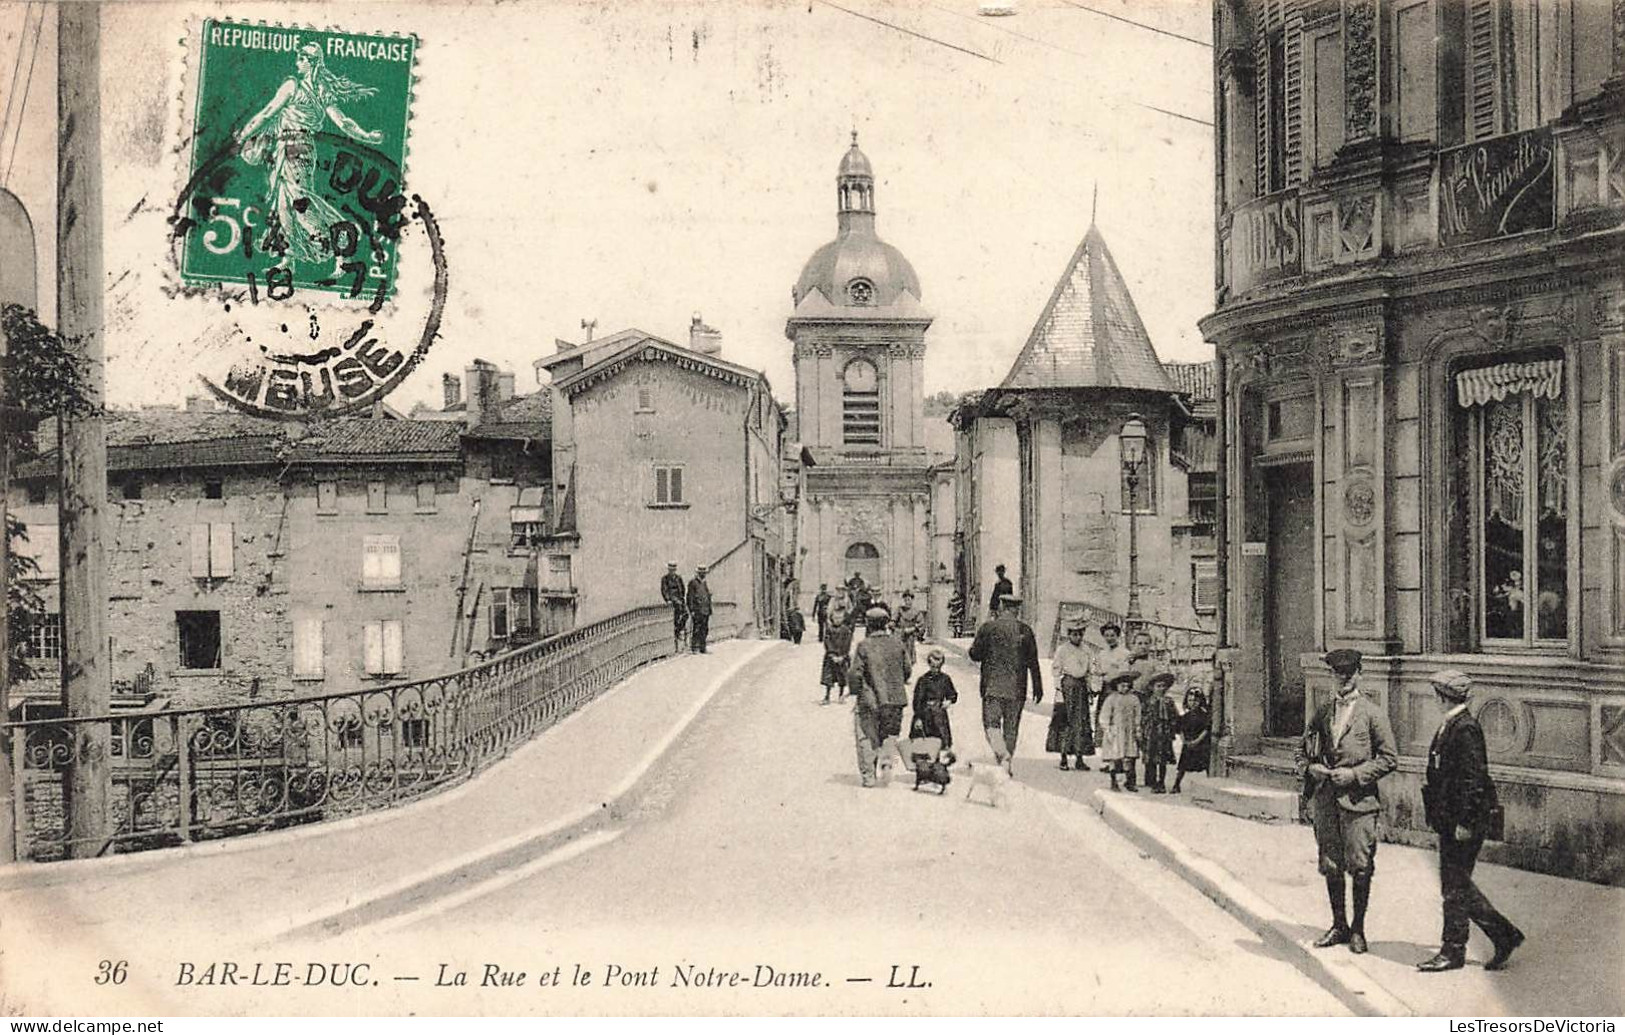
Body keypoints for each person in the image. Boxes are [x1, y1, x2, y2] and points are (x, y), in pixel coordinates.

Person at [235, 43, 385, 269]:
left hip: (293, 147)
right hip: (297, 147)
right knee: (284, 204)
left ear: (310, 62)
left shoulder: (292, 86)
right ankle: (290, 257)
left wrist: (244, 134)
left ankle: (339, 239)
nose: (297, 62)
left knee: (299, 202)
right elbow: (344, 123)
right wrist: (367, 135)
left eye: (301, 58)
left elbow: (267, 113)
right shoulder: (321, 90)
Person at [1417, 670, 1524, 973]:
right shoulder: (1453, 724)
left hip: (1463, 822)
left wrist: (1464, 821)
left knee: (1454, 886)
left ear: (1442, 697)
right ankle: (1503, 935)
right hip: (1451, 819)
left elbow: (1473, 779)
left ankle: (1454, 950)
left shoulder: (1464, 728)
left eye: (1436, 695)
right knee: (1456, 883)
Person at [1294, 649, 1399, 956]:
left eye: (1348, 675)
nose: (1342, 680)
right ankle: (1338, 925)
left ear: (1359, 675)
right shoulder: (1323, 711)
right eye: (1337, 675)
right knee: (1331, 864)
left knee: (1361, 866)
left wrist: (1355, 775)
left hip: (1359, 804)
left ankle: (1358, 930)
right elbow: (1302, 750)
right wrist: (1309, 768)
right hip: (1327, 801)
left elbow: (1390, 758)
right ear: (1331, 677)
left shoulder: (1373, 714)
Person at [968, 593, 1043, 773]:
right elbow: (1033, 661)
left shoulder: (988, 628)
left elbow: (974, 654)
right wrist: (1038, 687)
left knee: (991, 725)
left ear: (1001, 606)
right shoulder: (1025, 630)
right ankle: (1006, 762)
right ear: (1017, 609)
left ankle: (1002, 755)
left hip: (992, 687)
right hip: (1017, 688)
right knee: (1011, 728)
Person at [849, 606, 912, 788]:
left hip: (871, 701)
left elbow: (855, 674)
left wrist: (856, 692)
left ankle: (869, 776)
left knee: (866, 736)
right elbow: (907, 670)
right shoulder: (898, 643)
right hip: (895, 700)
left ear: (868, 624)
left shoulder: (864, 646)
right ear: (886, 624)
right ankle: (886, 763)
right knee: (890, 735)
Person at [1051, 621, 1095, 771]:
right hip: (1067, 687)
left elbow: (1089, 671)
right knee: (1065, 722)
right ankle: (1063, 757)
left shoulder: (1087, 650)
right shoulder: (1062, 650)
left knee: (1081, 723)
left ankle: (1079, 757)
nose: (1077, 637)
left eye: (1080, 634)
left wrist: (1089, 689)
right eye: (1074, 634)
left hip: (1081, 687)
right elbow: (1056, 669)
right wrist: (1059, 689)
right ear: (1068, 634)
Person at [1097, 670, 1141, 791]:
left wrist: (1137, 728)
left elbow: (1138, 715)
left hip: (1129, 732)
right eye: (1122, 685)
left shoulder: (1134, 699)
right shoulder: (1111, 699)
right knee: (1115, 757)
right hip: (1115, 731)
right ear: (1117, 685)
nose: (1125, 688)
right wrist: (1107, 729)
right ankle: (1114, 781)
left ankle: (1129, 781)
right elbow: (1104, 716)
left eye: (1128, 685)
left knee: (1129, 757)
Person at [1137, 670, 1178, 793]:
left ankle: (1162, 782)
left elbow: (1174, 716)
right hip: (1151, 732)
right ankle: (1152, 781)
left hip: (1164, 733)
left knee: (1163, 759)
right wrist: (1142, 730)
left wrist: (1172, 728)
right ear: (1152, 687)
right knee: (1151, 757)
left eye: (1163, 686)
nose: (1161, 688)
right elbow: (1142, 716)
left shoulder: (1169, 701)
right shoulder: (1148, 701)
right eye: (1158, 686)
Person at [910, 647, 958, 750]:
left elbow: (952, 694)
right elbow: (917, 701)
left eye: (938, 667)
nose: (935, 669)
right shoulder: (923, 680)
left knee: (941, 744)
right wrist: (918, 718)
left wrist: (949, 701)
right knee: (923, 744)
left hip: (939, 715)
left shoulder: (945, 679)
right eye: (933, 667)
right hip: (925, 714)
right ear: (929, 664)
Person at [1087, 622, 1132, 728]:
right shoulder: (1102, 654)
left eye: (1112, 635)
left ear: (1118, 636)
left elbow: (1125, 672)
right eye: (1106, 635)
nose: (1109, 638)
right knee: (1103, 716)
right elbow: (1097, 671)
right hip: (1105, 689)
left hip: (1118, 689)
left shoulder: (1124, 653)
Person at [1170, 687, 1211, 794]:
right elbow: (1180, 730)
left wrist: (1197, 741)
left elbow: (1206, 730)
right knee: (1182, 765)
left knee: (1206, 763)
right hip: (1188, 744)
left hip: (1201, 744)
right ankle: (1176, 784)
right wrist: (1185, 741)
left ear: (1201, 702)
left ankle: (1210, 783)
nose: (1193, 703)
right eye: (1190, 701)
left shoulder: (1204, 716)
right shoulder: (1185, 717)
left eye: (1196, 701)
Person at [821, 602, 854, 704]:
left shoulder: (846, 630)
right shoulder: (829, 629)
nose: (837, 620)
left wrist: (843, 656)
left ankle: (841, 695)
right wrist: (832, 655)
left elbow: (847, 643)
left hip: (842, 657)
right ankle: (827, 696)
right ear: (832, 618)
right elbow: (827, 642)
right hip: (831, 657)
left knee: (842, 677)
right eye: (835, 618)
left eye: (840, 618)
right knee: (828, 677)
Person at [660, 562, 688, 654]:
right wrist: (668, 599)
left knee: (685, 615)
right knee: (677, 616)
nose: (672, 571)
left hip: (679, 599)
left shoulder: (679, 578)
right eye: (670, 569)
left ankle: (679, 630)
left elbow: (682, 589)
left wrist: (682, 597)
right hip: (673, 600)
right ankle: (677, 635)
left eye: (673, 569)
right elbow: (664, 590)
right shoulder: (665, 579)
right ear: (668, 569)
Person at [894, 590, 926, 670]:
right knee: (899, 653)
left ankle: (907, 671)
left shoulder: (916, 611)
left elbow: (921, 624)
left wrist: (913, 628)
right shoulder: (900, 610)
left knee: (909, 653)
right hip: (900, 634)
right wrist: (892, 625)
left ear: (912, 600)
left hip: (910, 636)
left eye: (909, 600)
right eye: (905, 600)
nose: (907, 602)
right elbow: (894, 620)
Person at [686, 564, 713, 654]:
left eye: (704, 572)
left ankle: (703, 647)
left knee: (704, 629)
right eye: (701, 572)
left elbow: (707, 596)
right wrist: (692, 610)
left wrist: (709, 608)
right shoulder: (693, 583)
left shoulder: (704, 583)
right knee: (697, 629)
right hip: (697, 610)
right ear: (698, 573)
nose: (703, 574)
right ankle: (695, 648)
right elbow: (690, 597)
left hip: (705, 610)